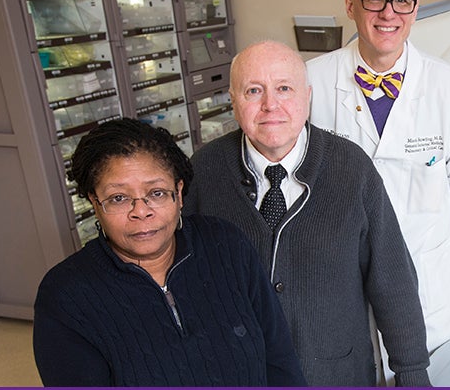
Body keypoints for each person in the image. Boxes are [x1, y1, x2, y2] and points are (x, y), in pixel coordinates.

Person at [183, 40, 431, 387]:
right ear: (233, 100)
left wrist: (412, 373)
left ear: (308, 96)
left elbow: (393, 279)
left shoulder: (351, 168)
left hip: (335, 374)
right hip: (236, 374)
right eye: (254, 90)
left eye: (284, 88)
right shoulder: (204, 171)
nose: (271, 105)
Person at [32, 118, 306, 387]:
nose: (141, 211)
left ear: (179, 191)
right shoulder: (65, 296)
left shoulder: (226, 244)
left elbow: (279, 360)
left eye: (157, 193)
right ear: (95, 202)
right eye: (119, 198)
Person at [307, 0, 450, 354]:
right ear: (350, 4)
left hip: (425, 271)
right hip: (341, 274)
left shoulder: (449, 88)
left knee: (423, 371)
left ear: (415, 9)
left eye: (401, 1)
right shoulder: (311, 82)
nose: (389, 13)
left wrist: (427, 235)